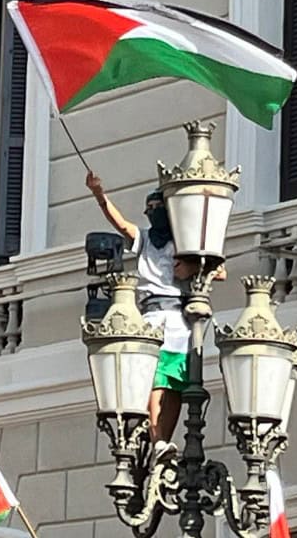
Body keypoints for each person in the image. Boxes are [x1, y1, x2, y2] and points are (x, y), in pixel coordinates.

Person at [86, 171, 224, 463]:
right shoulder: (146, 239)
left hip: (183, 321)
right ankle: (157, 438)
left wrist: (192, 266)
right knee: (157, 378)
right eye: (149, 209)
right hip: (153, 316)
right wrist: (100, 196)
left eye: (157, 207)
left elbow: (218, 269)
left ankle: (165, 439)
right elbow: (120, 224)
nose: (152, 213)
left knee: (175, 382)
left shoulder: (186, 240)